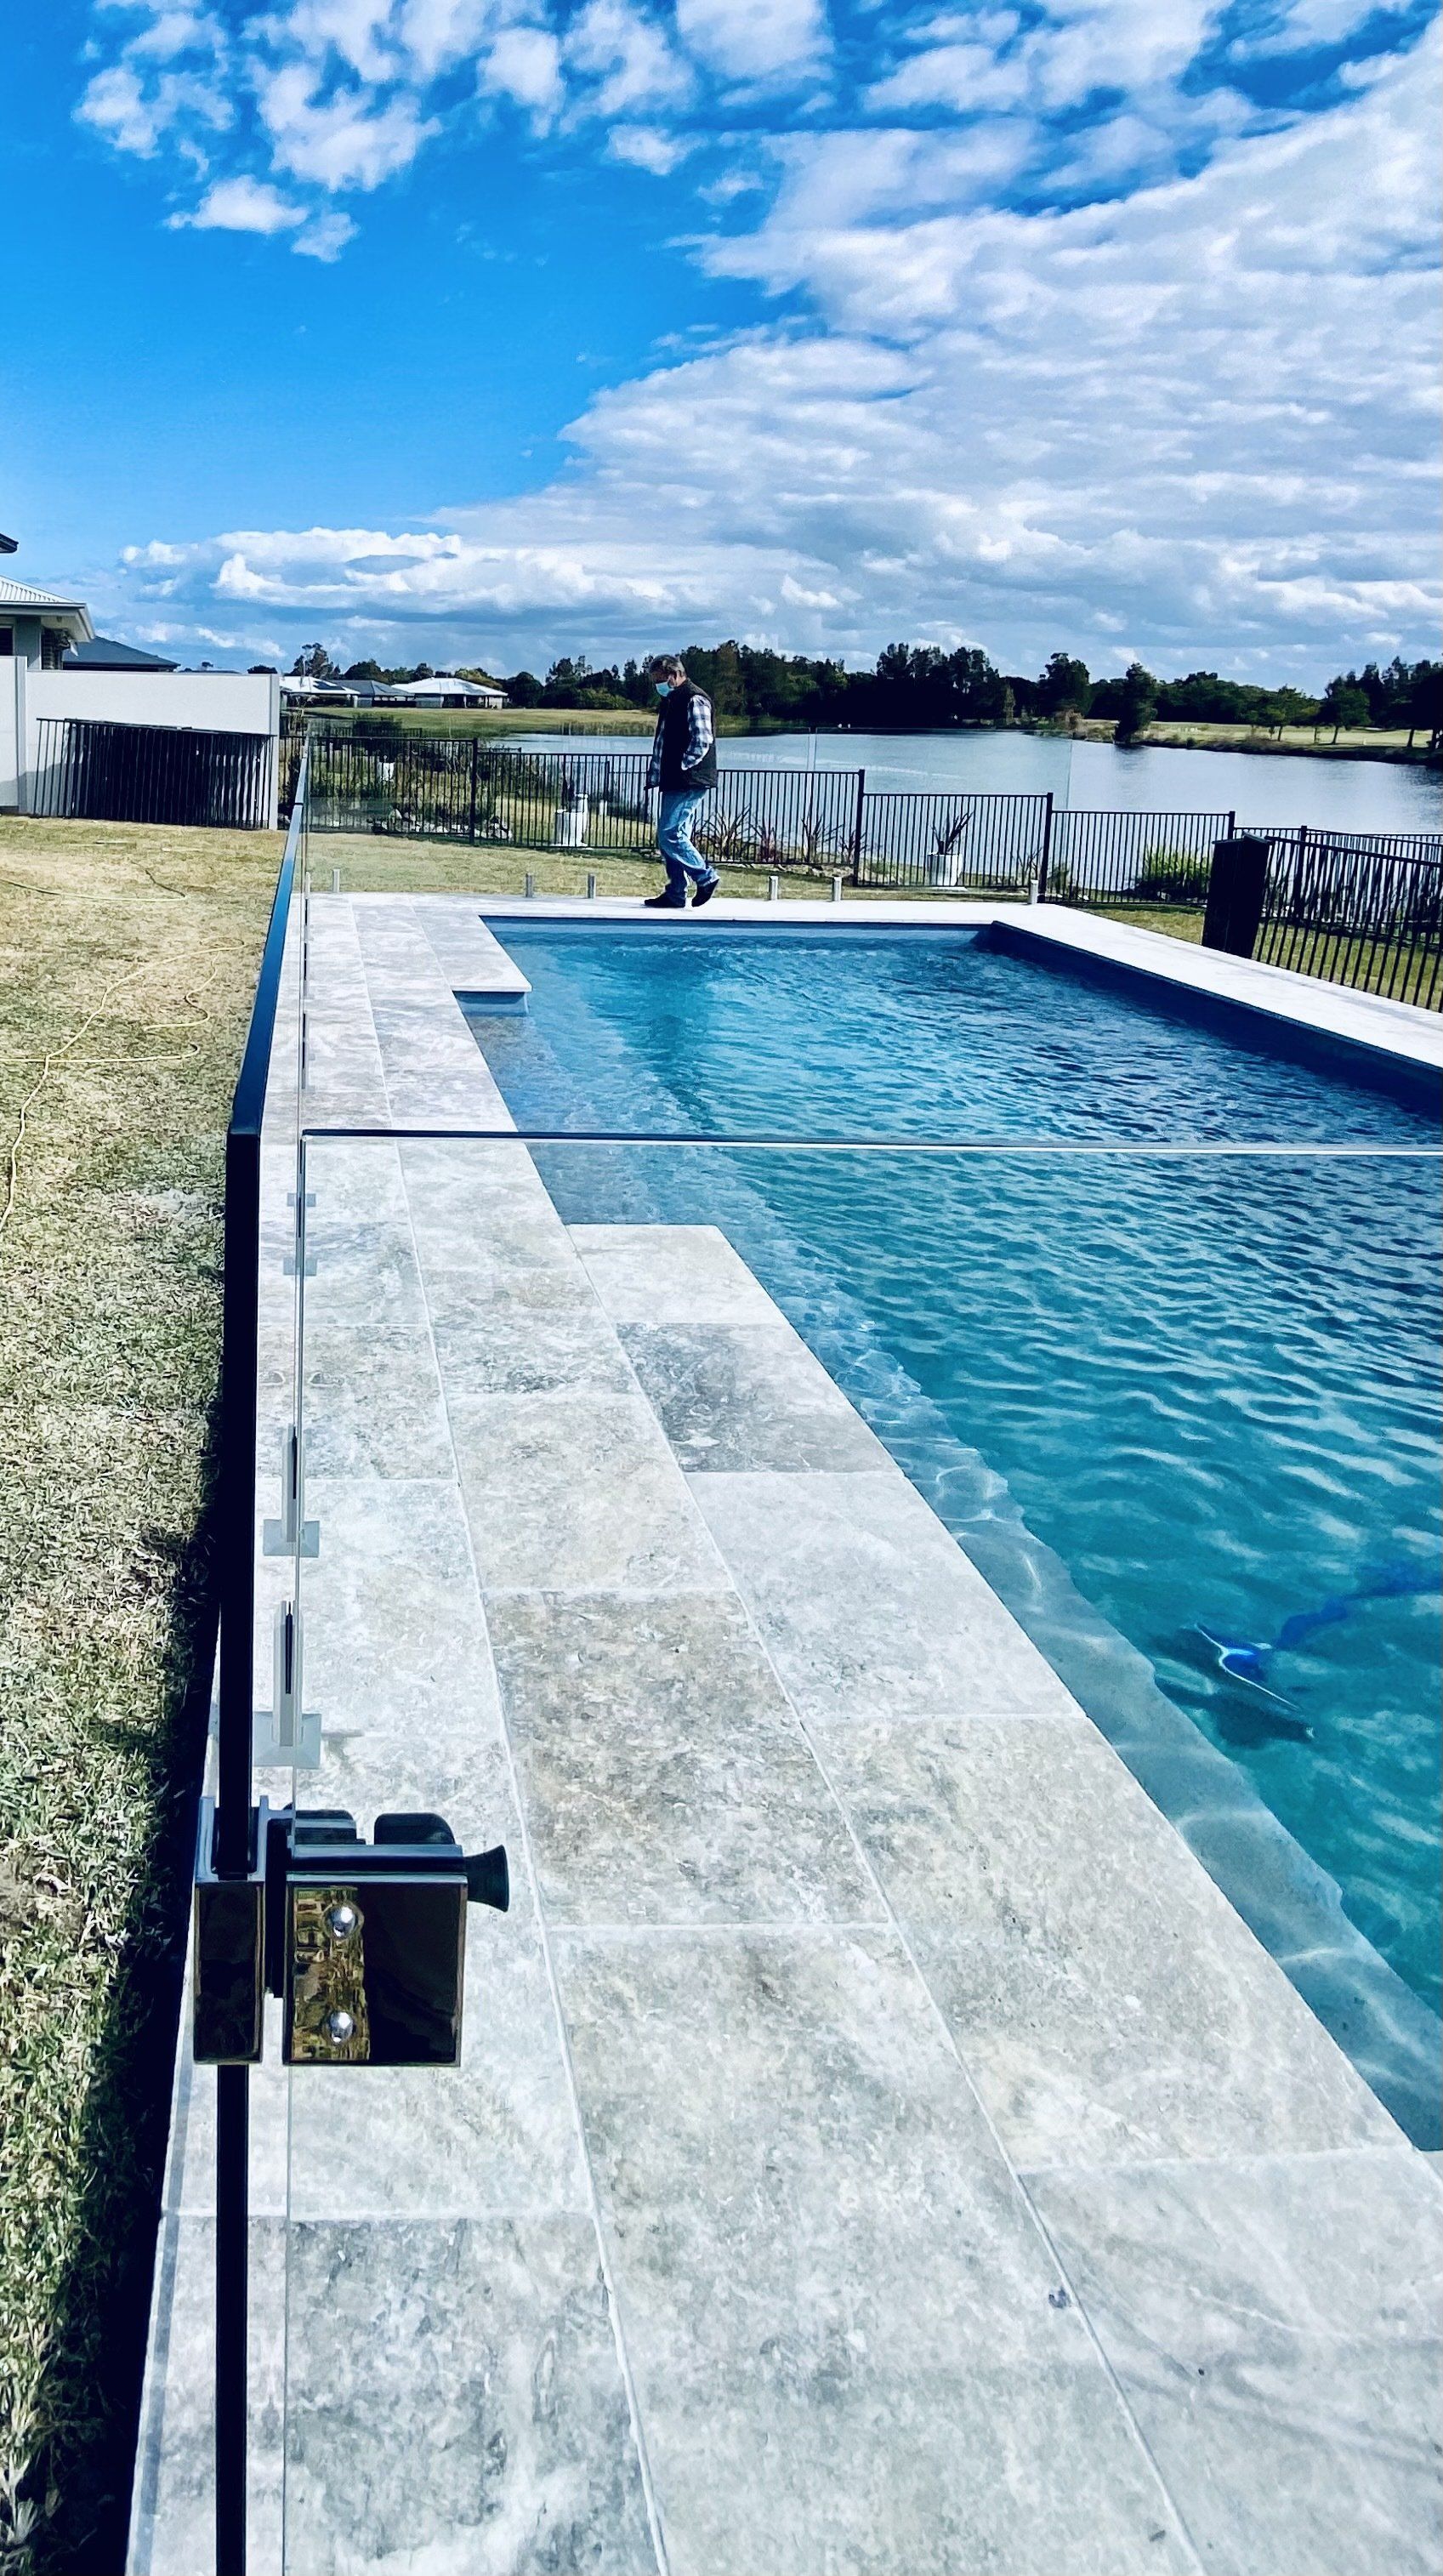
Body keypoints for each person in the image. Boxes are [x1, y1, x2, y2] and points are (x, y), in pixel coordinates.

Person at [643, 654, 721, 909]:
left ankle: (706, 877)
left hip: (689, 779)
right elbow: (663, 741)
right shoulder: (672, 698)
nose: (659, 686)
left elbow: (702, 739)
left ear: (675, 675)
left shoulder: (694, 698)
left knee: (670, 834)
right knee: (676, 834)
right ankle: (676, 893)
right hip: (677, 778)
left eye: (661, 680)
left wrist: (682, 766)